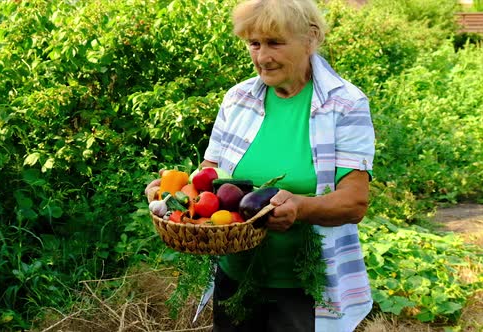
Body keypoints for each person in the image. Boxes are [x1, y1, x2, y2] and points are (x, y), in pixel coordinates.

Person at [147, 0, 375, 330]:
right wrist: (170, 192)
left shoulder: (345, 104)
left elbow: (354, 203)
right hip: (236, 277)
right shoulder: (238, 99)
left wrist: (300, 207)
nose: (262, 57)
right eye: (254, 43)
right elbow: (207, 176)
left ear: (310, 38)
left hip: (304, 287)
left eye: (275, 43)